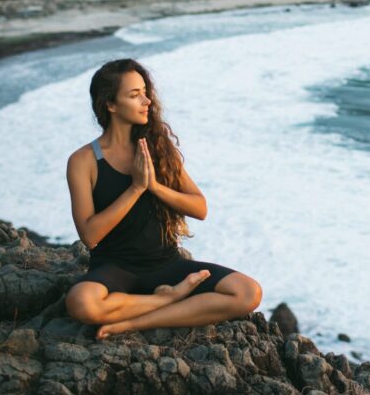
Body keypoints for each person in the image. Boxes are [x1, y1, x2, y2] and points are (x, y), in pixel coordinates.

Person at [64, 58, 263, 340]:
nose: (146, 101)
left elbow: (200, 207)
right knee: (81, 303)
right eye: (134, 95)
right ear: (110, 104)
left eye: (145, 92)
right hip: (115, 269)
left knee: (247, 292)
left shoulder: (158, 148)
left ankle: (131, 322)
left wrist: (154, 186)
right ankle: (168, 300)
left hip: (167, 264)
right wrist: (135, 188)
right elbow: (90, 235)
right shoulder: (83, 161)